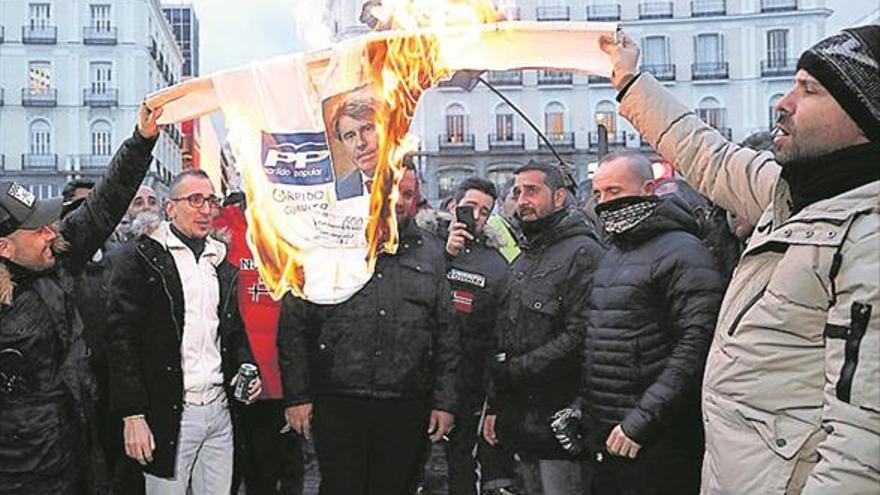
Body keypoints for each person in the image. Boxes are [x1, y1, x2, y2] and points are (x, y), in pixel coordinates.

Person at [600, 25, 880, 494]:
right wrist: (631, 82)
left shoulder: (868, 237)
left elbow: (863, 442)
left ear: (864, 115)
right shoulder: (791, 192)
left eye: (809, 89)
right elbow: (705, 152)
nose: (783, 102)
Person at [0, 103, 163, 494]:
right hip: (19, 474)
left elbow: (103, 205)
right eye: (37, 229)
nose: (50, 233)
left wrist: (140, 143)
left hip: (79, 454)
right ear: (4, 247)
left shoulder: (56, 255)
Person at [278, 166, 459, 495]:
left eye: (408, 194)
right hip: (338, 401)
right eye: (393, 191)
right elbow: (294, 326)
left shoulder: (432, 253)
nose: (399, 201)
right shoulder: (327, 244)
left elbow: (446, 334)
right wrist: (298, 396)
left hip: (405, 403)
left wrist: (444, 402)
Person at [107, 170, 262, 495]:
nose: (205, 209)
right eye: (195, 200)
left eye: (211, 200)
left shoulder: (219, 259)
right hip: (170, 412)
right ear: (170, 208)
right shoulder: (141, 258)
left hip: (220, 410)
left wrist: (247, 367)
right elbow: (122, 339)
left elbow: (232, 332)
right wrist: (132, 414)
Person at [582, 151, 724, 495]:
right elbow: (602, 340)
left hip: (657, 438)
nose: (604, 203)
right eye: (598, 194)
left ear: (648, 188)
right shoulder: (614, 252)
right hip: (611, 434)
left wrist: (642, 421)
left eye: (614, 192)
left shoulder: (683, 251)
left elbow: (695, 345)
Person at [482, 162, 604, 494]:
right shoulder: (525, 256)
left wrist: (516, 370)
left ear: (560, 197)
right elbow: (506, 331)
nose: (522, 200)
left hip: (560, 421)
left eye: (532, 191)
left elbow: (582, 335)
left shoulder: (583, 252)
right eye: (517, 192)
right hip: (520, 422)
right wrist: (496, 404)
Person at [213, 197, 305, 495]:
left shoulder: (296, 229)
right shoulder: (220, 224)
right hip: (227, 381)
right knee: (223, 477)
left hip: (278, 385)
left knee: (268, 478)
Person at [432, 178, 512, 495]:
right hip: (416, 378)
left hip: (469, 383)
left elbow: (501, 334)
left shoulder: (496, 264)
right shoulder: (424, 247)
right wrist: (445, 255)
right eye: (470, 207)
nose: (476, 216)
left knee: (462, 467)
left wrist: (494, 398)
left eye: (484, 211)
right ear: (453, 206)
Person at [332, 95, 380, 201]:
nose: (360, 143)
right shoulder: (339, 192)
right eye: (350, 136)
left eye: (367, 129)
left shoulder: (412, 177)